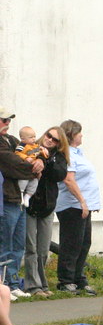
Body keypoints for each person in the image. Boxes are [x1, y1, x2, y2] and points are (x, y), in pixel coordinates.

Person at [0, 107, 44, 298]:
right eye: (4, 120)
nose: (7, 124)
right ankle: (3, 286)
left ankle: (13, 283)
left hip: (19, 200)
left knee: (19, 245)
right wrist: (34, 169)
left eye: (9, 120)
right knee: (5, 244)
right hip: (6, 200)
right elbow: (12, 165)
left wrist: (40, 160)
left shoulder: (12, 140)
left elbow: (33, 150)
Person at [55, 119, 101, 294]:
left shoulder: (78, 153)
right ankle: (66, 280)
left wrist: (90, 203)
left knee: (84, 243)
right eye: (79, 132)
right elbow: (69, 180)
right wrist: (82, 201)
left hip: (84, 206)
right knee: (71, 243)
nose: (82, 135)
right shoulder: (67, 154)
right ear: (72, 134)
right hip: (72, 205)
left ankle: (78, 278)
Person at [23, 126, 69, 298]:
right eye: (49, 136)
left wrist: (46, 160)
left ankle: (42, 284)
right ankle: (32, 286)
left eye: (55, 139)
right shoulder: (31, 148)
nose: (50, 140)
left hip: (47, 206)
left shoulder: (59, 157)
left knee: (43, 249)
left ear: (59, 143)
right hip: (30, 204)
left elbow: (60, 174)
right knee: (31, 248)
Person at [15, 126, 46, 207]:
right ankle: (21, 196)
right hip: (25, 169)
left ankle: (27, 197)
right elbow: (17, 153)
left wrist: (43, 151)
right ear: (23, 139)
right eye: (30, 137)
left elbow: (39, 153)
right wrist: (26, 157)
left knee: (34, 183)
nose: (33, 139)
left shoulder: (35, 146)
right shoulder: (22, 145)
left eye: (34, 137)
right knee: (23, 182)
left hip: (33, 170)